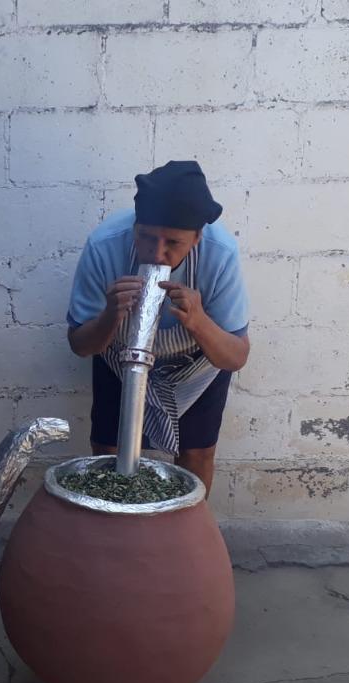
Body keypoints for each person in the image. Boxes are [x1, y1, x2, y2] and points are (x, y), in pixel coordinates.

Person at [66, 161, 250, 493]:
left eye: (173, 243)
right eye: (146, 238)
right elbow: (79, 344)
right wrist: (110, 316)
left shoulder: (220, 253)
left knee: (198, 452)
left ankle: (187, 526)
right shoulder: (104, 244)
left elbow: (235, 357)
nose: (157, 254)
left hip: (196, 368)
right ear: (135, 226)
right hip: (119, 358)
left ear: (197, 238)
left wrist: (199, 322)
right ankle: (114, 520)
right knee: (108, 451)